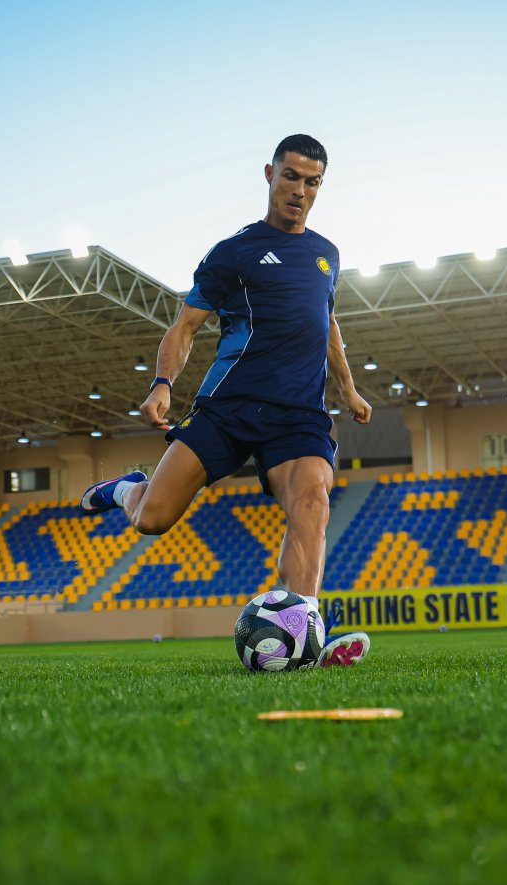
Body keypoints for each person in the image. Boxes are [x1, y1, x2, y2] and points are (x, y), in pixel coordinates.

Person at [81, 134, 372, 667]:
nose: (300, 191)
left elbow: (326, 323)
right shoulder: (233, 252)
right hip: (229, 405)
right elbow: (185, 327)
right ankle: (128, 491)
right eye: (291, 176)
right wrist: (162, 383)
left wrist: (347, 386)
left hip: (298, 416)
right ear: (269, 174)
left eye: (312, 183)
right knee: (153, 520)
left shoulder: (326, 255)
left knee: (312, 501)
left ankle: (302, 631)